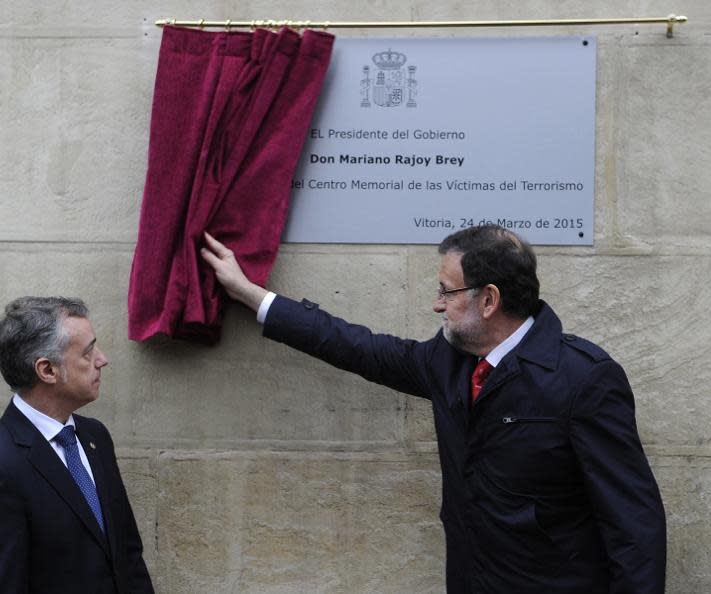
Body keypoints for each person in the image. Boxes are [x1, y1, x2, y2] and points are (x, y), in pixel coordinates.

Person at [200, 225, 667, 594]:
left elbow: (634, 526)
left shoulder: (584, 379)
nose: (435, 304)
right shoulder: (447, 362)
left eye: (446, 292)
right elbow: (358, 347)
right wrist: (251, 295)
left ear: (488, 300)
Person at [0, 297, 154, 594]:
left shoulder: (95, 437)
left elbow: (128, 556)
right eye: (87, 353)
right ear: (47, 370)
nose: (102, 359)